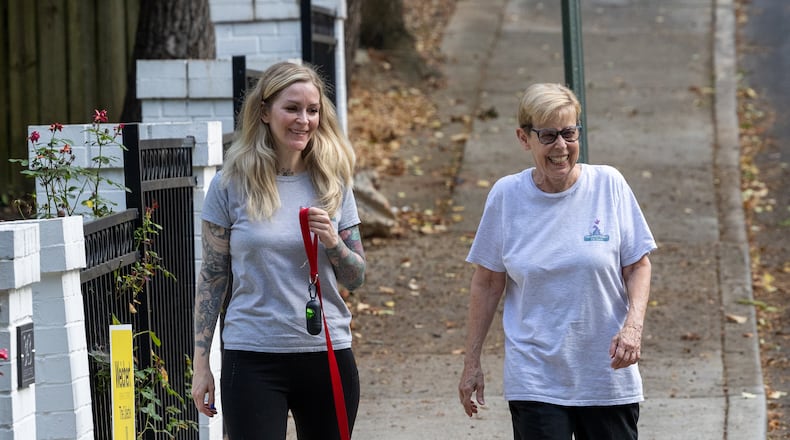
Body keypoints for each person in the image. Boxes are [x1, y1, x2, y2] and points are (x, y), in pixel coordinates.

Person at [458, 83, 656, 439]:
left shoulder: (609, 185)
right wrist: (472, 361)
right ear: (524, 138)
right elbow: (487, 282)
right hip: (535, 376)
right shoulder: (507, 196)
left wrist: (633, 327)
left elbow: (637, 265)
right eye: (548, 136)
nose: (561, 147)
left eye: (569, 133)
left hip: (605, 374)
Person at [191, 61, 366, 440]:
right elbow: (212, 277)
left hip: (327, 353)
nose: (304, 120)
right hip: (252, 355)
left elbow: (358, 277)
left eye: (313, 110)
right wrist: (201, 364)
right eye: (292, 108)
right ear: (265, 112)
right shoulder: (229, 185)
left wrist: (334, 245)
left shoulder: (333, 184)